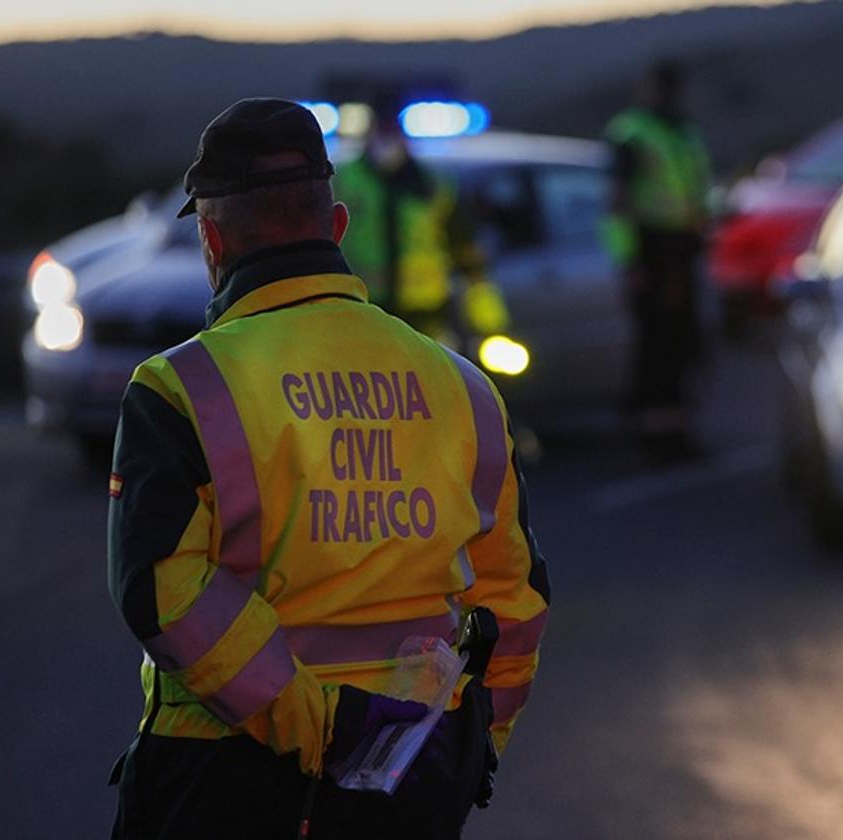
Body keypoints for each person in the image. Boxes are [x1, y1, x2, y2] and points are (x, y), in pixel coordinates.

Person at [106, 98, 550, 839]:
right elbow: (515, 596)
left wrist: (315, 727)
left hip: (220, 773)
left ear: (211, 241)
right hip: (411, 772)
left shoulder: (181, 387)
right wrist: (473, 749)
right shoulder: (465, 390)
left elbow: (162, 591)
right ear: (338, 225)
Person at [334, 92, 508, 348]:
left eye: (391, 130)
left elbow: (469, 258)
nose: (386, 140)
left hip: (426, 317)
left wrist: (490, 325)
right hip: (362, 314)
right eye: (381, 129)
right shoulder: (342, 181)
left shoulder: (434, 184)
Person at [605, 59, 712, 460]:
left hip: (683, 249)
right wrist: (630, 261)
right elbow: (617, 205)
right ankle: (654, 436)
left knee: (682, 341)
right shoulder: (632, 134)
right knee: (657, 345)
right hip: (653, 251)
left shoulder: (684, 133)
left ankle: (676, 430)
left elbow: (695, 189)